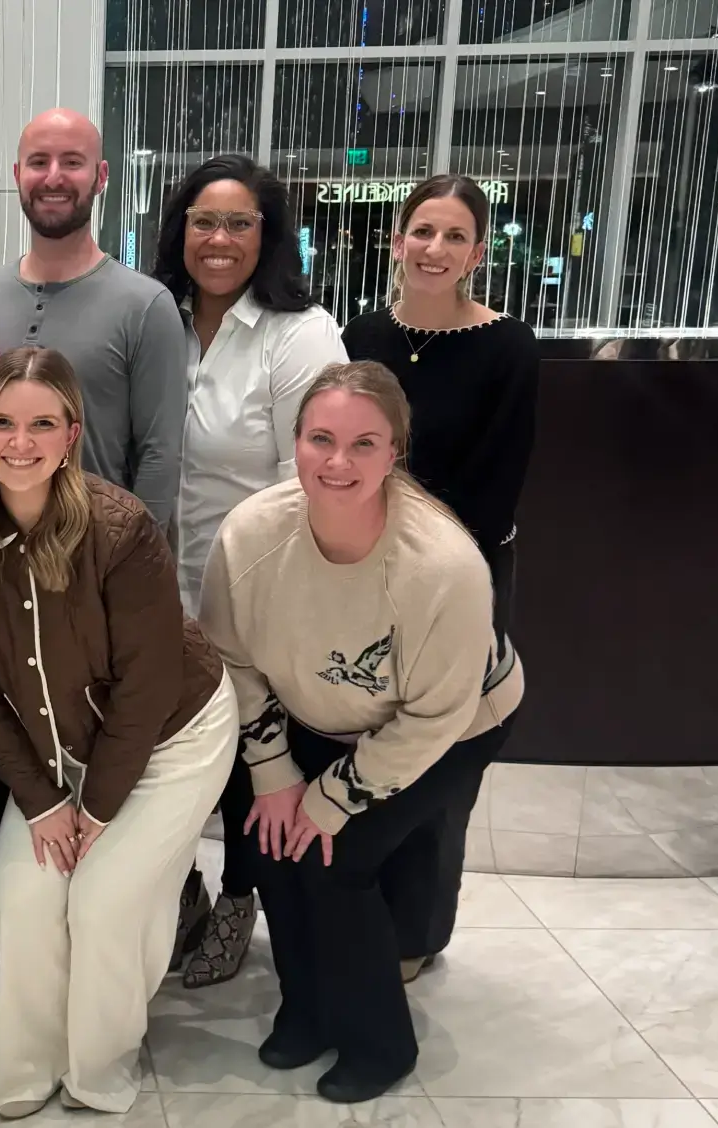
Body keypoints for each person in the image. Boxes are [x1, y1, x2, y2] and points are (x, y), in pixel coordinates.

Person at [199, 362, 523, 1104]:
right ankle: (306, 1013)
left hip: (459, 721)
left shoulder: (443, 565)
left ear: (394, 453)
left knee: (334, 857)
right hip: (319, 710)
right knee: (273, 845)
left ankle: (379, 1043)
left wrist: (331, 801)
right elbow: (235, 660)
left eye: (363, 444)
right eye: (320, 439)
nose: (338, 463)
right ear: (296, 443)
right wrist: (277, 776)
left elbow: (434, 717)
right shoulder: (250, 535)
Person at [0, 347, 237, 1118]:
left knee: (106, 899)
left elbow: (146, 691)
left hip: (172, 742)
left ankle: (100, 1068)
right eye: (3, 422)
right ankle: (27, 1068)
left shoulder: (121, 529)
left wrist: (98, 810)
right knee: (26, 892)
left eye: (42, 422)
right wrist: (46, 803)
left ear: (72, 433)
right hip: (55, 750)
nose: (21, 441)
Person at [149, 153, 347, 989]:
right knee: (167, 757)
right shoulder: (156, 316)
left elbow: (315, 476)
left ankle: (240, 897)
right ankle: (183, 890)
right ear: (178, 231)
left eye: (239, 222)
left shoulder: (299, 333)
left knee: (246, 758)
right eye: (203, 221)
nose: (219, 239)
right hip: (158, 588)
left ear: (267, 236)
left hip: (257, 592)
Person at [342, 173, 537, 980]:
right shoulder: (362, 335)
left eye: (455, 236)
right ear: (396, 241)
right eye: (422, 231)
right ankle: (350, 912)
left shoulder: (507, 347)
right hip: (358, 569)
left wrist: (413, 548)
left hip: (461, 574)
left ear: (478, 254)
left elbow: (496, 486)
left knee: (441, 746)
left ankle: (415, 932)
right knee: (363, 733)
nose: (435, 249)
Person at [0, 107, 186, 528]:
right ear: (18, 174)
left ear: (101, 176)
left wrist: (131, 559)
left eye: (72, 162)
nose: (53, 177)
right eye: (39, 162)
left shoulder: (147, 306)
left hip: (94, 559)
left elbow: (159, 454)